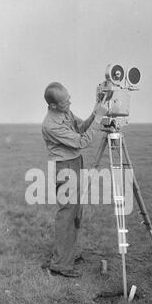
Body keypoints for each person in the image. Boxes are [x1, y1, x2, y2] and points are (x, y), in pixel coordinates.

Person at [42, 82, 107, 277]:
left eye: (68, 97)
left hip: (75, 162)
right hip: (65, 167)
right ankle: (61, 264)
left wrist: (96, 112)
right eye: (64, 101)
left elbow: (81, 127)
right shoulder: (50, 124)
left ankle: (67, 255)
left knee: (76, 211)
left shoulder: (65, 112)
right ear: (53, 105)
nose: (69, 102)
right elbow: (82, 141)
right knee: (67, 214)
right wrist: (100, 118)